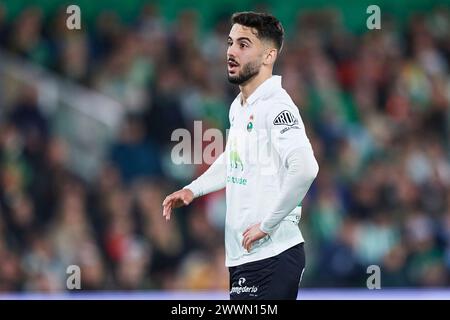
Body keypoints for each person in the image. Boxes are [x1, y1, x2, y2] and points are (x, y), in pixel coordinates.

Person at [162, 11, 319, 300]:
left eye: (243, 45)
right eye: (230, 42)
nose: (231, 52)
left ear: (269, 56)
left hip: (273, 255)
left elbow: (305, 168)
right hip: (244, 258)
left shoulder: (276, 107)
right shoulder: (240, 107)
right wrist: (192, 189)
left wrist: (268, 225)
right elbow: (233, 159)